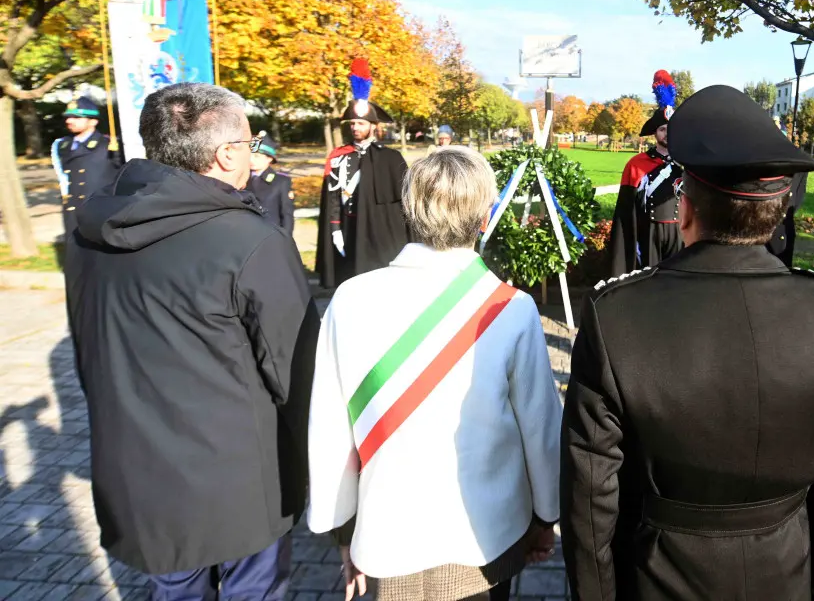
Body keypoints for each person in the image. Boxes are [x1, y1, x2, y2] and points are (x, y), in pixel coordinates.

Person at [561, 85, 814, 601]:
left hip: (654, 576)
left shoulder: (616, 318)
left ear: (687, 212)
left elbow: (589, 497)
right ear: (777, 213)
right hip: (789, 569)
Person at [65, 83, 320, 600]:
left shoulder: (90, 231)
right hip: (242, 482)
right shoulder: (252, 242)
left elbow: (87, 354)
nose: (253, 153)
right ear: (227, 153)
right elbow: (297, 376)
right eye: (251, 142)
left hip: (138, 473)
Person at [308, 146, 561, 601]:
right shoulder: (511, 307)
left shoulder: (349, 299)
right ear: (485, 217)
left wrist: (341, 527)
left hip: (387, 532)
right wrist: (547, 516)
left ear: (409, 209)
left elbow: (329, 429)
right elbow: (541, 432)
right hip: (488, 534)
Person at [317, 58, 411, 288]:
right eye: (352, 124)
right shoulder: (339, 155)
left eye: (360, 123)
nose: (355, 128)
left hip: (380, 230)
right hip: (350, 228)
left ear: (373, 126)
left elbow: (405, 202)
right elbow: (332, 198)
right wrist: (335, 228)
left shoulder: (391, 158)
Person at [606, 70, 685, 275]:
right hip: (649, 233)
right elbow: (625, 211)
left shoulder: (687, 162)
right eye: (662, 129)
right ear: (654, 133)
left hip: (680, 233)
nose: (667, 134)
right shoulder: (637, 164)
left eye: (671, 128)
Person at [51, 95, 124, 236]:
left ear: (93, 122)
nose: (69, 121)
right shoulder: (63, 145)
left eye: (77, 117)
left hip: (100, 211)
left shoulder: (109, 144)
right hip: (73, 212)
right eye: (68, 117)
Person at [246, 131, 295, 235]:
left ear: (269, 158)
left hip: (271, 237)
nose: (251, 160)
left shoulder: (281, 182)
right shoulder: (242, 180)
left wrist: (286, 241)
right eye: (250, 155)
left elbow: (286, 216)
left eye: (257, 156)